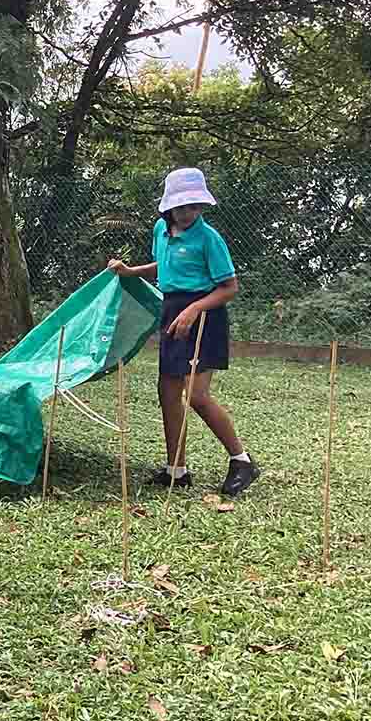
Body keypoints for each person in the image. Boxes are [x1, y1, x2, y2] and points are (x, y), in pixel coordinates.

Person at [109, 167, 260, 497]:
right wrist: (130, 271)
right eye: (183, 206)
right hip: (173, 313)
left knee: (196, 396)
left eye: (195, 205)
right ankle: (176, 469)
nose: (189, 212)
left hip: (204, 316)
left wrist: (194, 310)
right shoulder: (161, 230)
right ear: (168, 207)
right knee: (167, 391)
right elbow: (164, 267)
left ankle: (242, 461)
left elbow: (229, 287)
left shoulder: (209, 238)